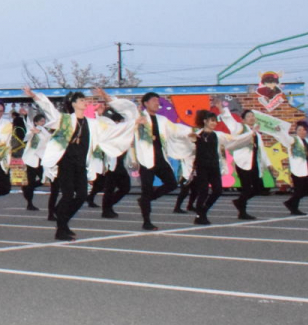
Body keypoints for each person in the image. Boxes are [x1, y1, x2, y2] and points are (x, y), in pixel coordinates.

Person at [26, 87, 138, 240]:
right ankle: (61, 228)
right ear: (73, 103)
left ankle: (62, 218)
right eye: (81, 100)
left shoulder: (93, 124)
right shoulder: (65, 120)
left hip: (81, 164)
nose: (85, 102)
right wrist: (35, 96)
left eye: (85, 100)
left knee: (82, 195)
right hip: (66, 163)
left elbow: (114, 130)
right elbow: (49, 109)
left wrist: (133, 123)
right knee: (67, 195)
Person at [133, 92, 195, 231]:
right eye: (154, 100)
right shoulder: (140, 118)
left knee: (172, 183)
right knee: (146, 189)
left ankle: (146, 200)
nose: (157, 103)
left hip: (160, 158)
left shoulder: (162, 120)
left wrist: (188, 132)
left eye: (158, 101)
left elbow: (175, 129)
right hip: (145, 158)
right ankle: (146, 221)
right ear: (146, 103)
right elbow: (129, 124)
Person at [189, 110, 256, 225]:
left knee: (217, 190)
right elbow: (188, 147)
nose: (214, 123)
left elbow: (234, 139)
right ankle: (200, 215)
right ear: (205, 121)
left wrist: (250, 134)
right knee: (203, 192)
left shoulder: (218, 135)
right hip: (201, 166)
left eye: (215, 121)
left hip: (214, 166)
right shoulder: (197, 135)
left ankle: (204, 210)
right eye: (212, 121)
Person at [260, 116, 308, 216]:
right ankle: (294, 208)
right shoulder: (293, 140)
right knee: (299, 190)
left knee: (307, 189)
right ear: (296, 131)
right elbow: (285, 138)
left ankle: (290, 203)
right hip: (297, 169)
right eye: (299, 129)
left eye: (304, 130)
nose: (302, 131)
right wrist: (280, 131)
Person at [219, 104, 273, 220]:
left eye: (253, 116)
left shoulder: (257, 134)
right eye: (249, 116)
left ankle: (239, 201)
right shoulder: (240, 128)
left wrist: (269, 165)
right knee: (246, 187)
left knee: (259, 187)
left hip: (255, 162)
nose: (252, 118)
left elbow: (261, 150)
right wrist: (223, 109)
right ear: (243, 120)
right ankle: (242, 212)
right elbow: (229, 120)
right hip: (243, 162)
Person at [20, 109, 49, 211]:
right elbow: (28, 127)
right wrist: (26, 116)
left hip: (40, 159)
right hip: (31, 159)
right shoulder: (32, 130)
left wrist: (40, 131)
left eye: (43, 121)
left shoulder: (44, 131)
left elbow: (47, 138)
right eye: (40, 121)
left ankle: (27, 188)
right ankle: (30, 203)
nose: (42, 123)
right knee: (31, 180)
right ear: (36, 122)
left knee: (43, 179)